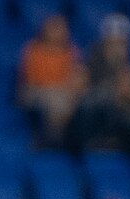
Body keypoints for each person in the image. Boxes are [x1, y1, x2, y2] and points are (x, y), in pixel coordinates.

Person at [19, 14, 84, 146]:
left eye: (62, 29)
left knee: (83, 100)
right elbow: (33, 80)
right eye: (55, 29)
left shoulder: (72, 51)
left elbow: (77, 76)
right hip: (34, 91)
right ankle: (52, 140)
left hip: (63, 92)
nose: (60, 33)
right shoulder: (33, 50)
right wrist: (60, 88)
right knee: (57, 100)